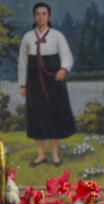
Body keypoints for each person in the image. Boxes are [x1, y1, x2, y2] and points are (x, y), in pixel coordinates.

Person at [18, 2, 76, 168]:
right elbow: (22, 62)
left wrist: (63, 69)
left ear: (49, 16)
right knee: (38, 117)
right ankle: (41, 155)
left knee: (54, 116)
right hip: (34, 82)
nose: (40, 16)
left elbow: (67, 55)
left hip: (54, 82)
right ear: (34, 16)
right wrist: (23, 84)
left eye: (44, 13)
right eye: (37, 13)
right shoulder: (28, 37)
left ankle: (55, 155)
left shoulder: (57, 36)